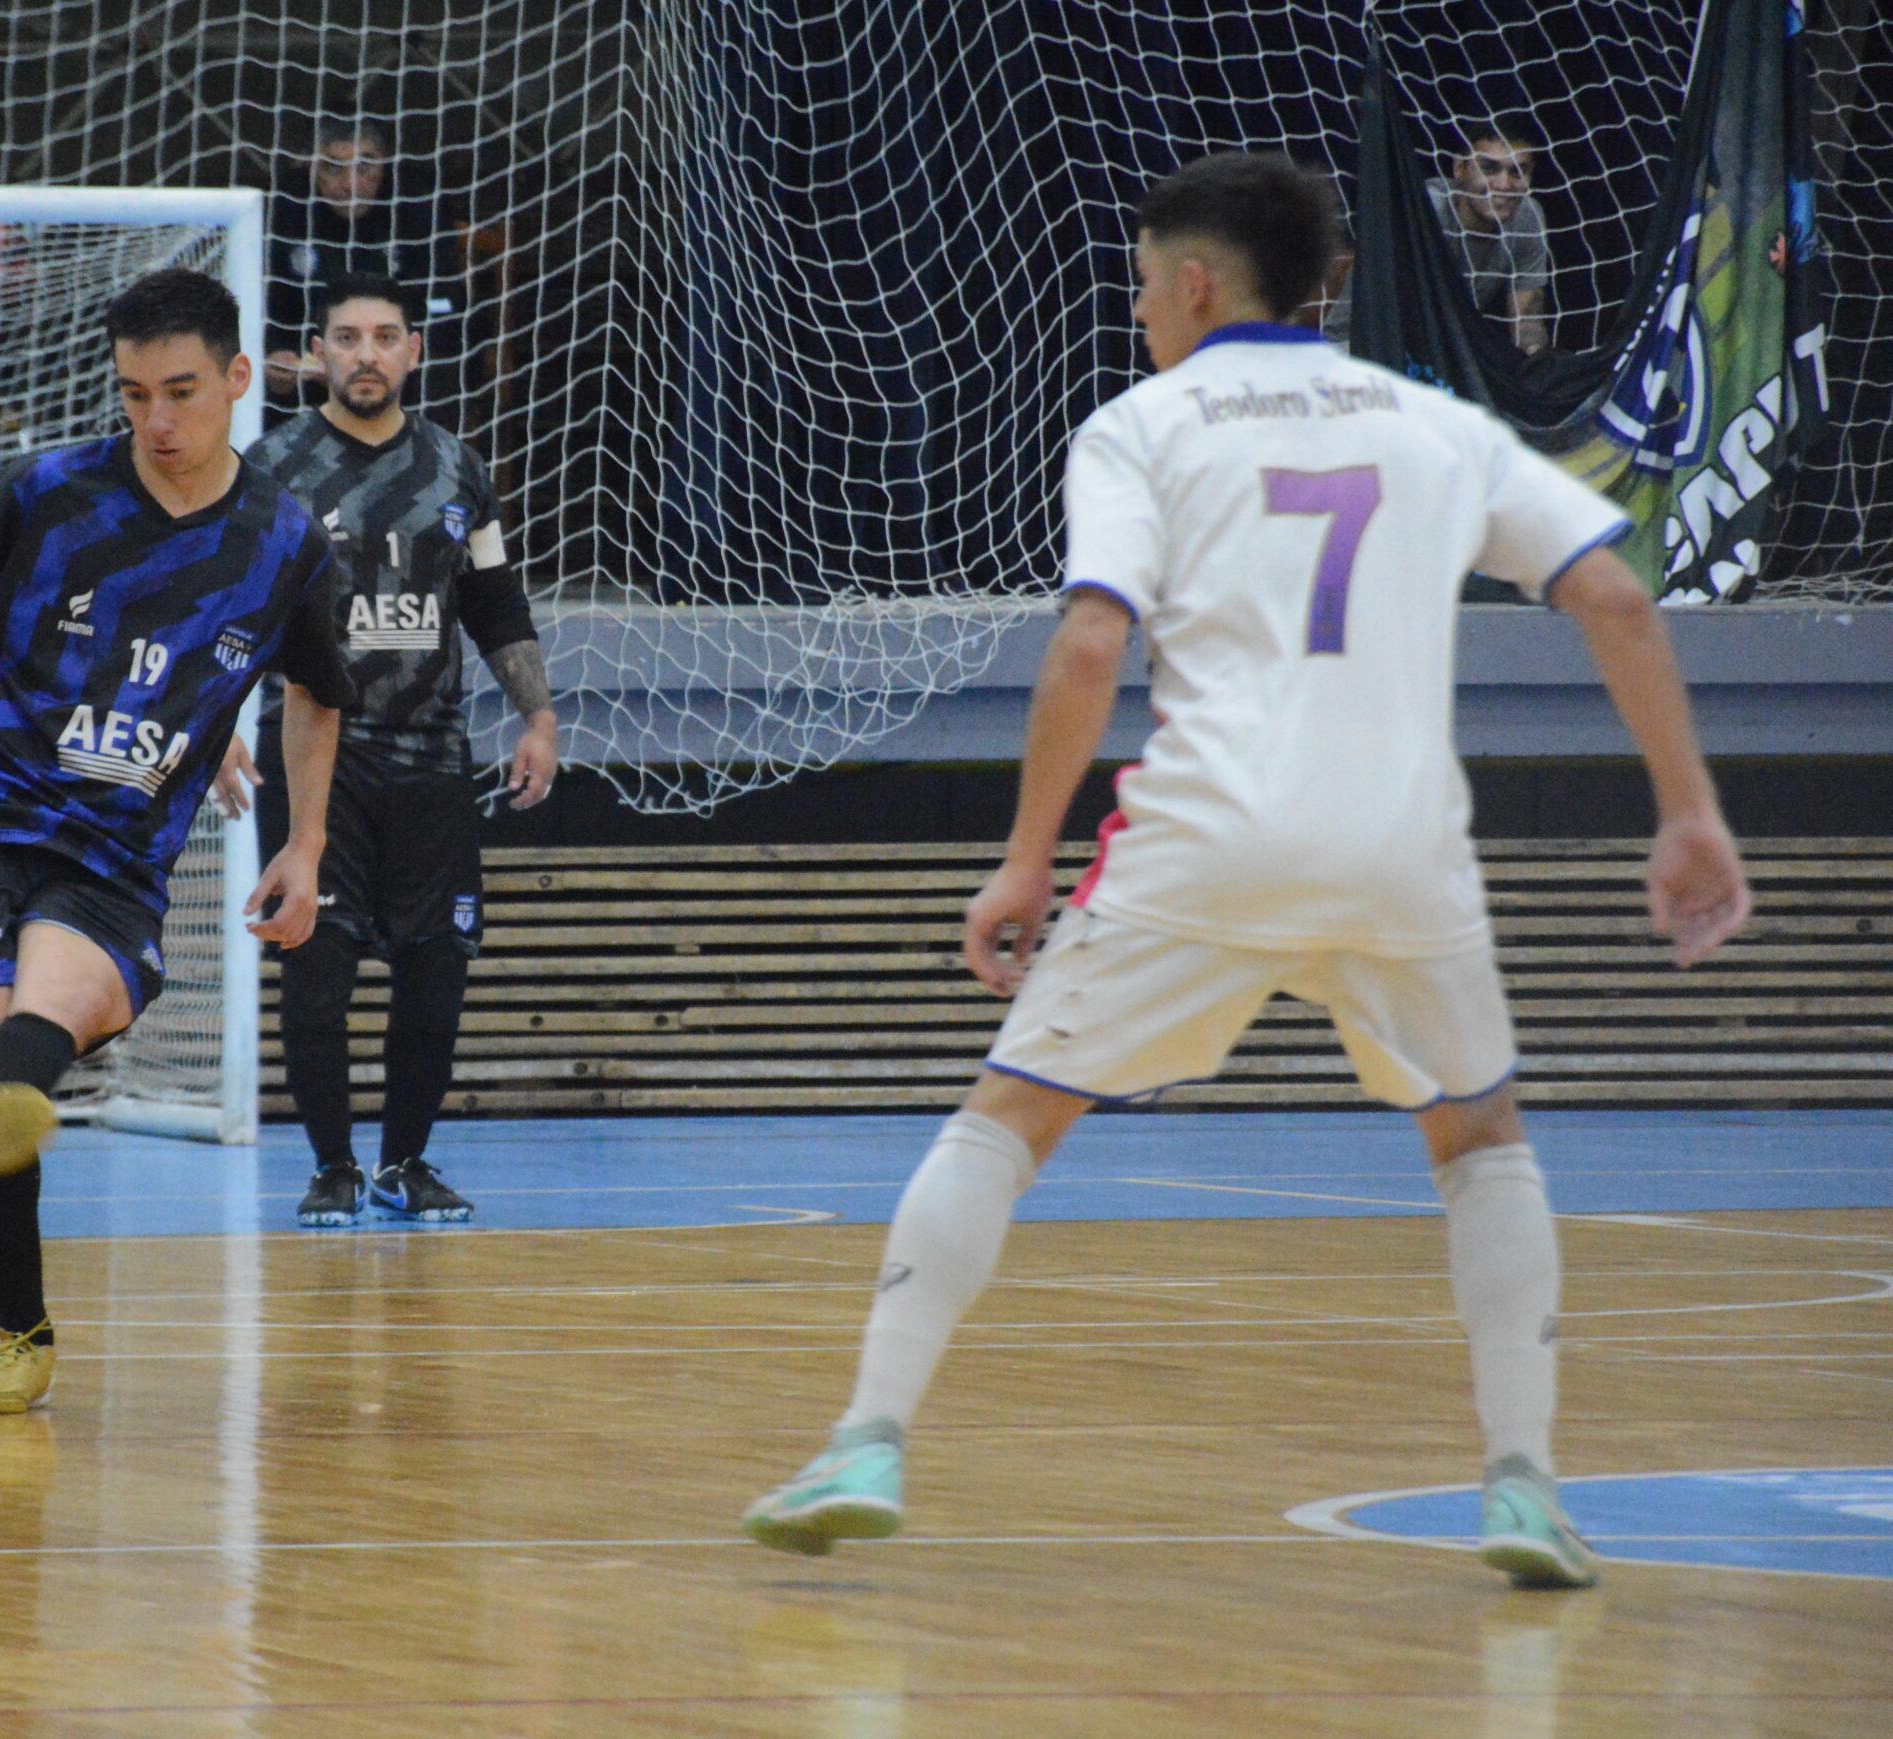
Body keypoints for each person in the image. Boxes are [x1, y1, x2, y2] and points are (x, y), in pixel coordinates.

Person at [740, 152, 1752, 1588]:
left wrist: (1025, 857)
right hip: (1402, 848)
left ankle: (866, 1436)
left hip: (1205, 837)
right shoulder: (1435, 423)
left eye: (1146, 285)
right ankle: (1524, 1482)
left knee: (1008, 1115)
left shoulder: (1143, 424)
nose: (1141, 311)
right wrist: (1690, 812)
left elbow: (1093, 641)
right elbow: (1617, 593)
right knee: (1482, 1138)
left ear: (1196, 284)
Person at [0, 268, 353, 1413]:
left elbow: (316, 691)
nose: (156, 421)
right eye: (133, 394)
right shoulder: (49, 492)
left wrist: (304, 843)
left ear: (238, 381)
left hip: (115, 853)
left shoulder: (286, 541)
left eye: (181, 392)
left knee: (41, 1016)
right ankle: (21, 1329)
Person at [226, 273, 559, 1227]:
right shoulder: (273, 467)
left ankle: (406, 1163)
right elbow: (231, 609)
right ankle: (331, 1165)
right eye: (347, 337)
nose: (366, 353)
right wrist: (213, 730)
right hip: (315, 761)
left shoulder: (459, 468)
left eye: (384, 336)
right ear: (317, 353)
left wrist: (537, 717)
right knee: (316, 963)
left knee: (435, 964)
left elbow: (496, 606)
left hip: (432, 758)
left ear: (414, 350)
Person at [264, 122, 451, 407]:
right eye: (334, 168)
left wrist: (402, 359)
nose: (350, 184)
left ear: (385, 167)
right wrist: (274, 353)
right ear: (312, 169)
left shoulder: (416, 210)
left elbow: (447, 305)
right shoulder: (284, 211)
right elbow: (260, 299)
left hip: (402, 379)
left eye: (365, 167)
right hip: (304, 388)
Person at [1325, 123, 1553, 356]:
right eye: (1489, 169)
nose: (1504, 185)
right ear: (1460, 169)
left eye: (1517, 172)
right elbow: (1385, 316)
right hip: (1357, 347)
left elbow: (1528, 323)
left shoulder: (1527, 217)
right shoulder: (1423, 211)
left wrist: (1537, 365)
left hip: (1443, 352)